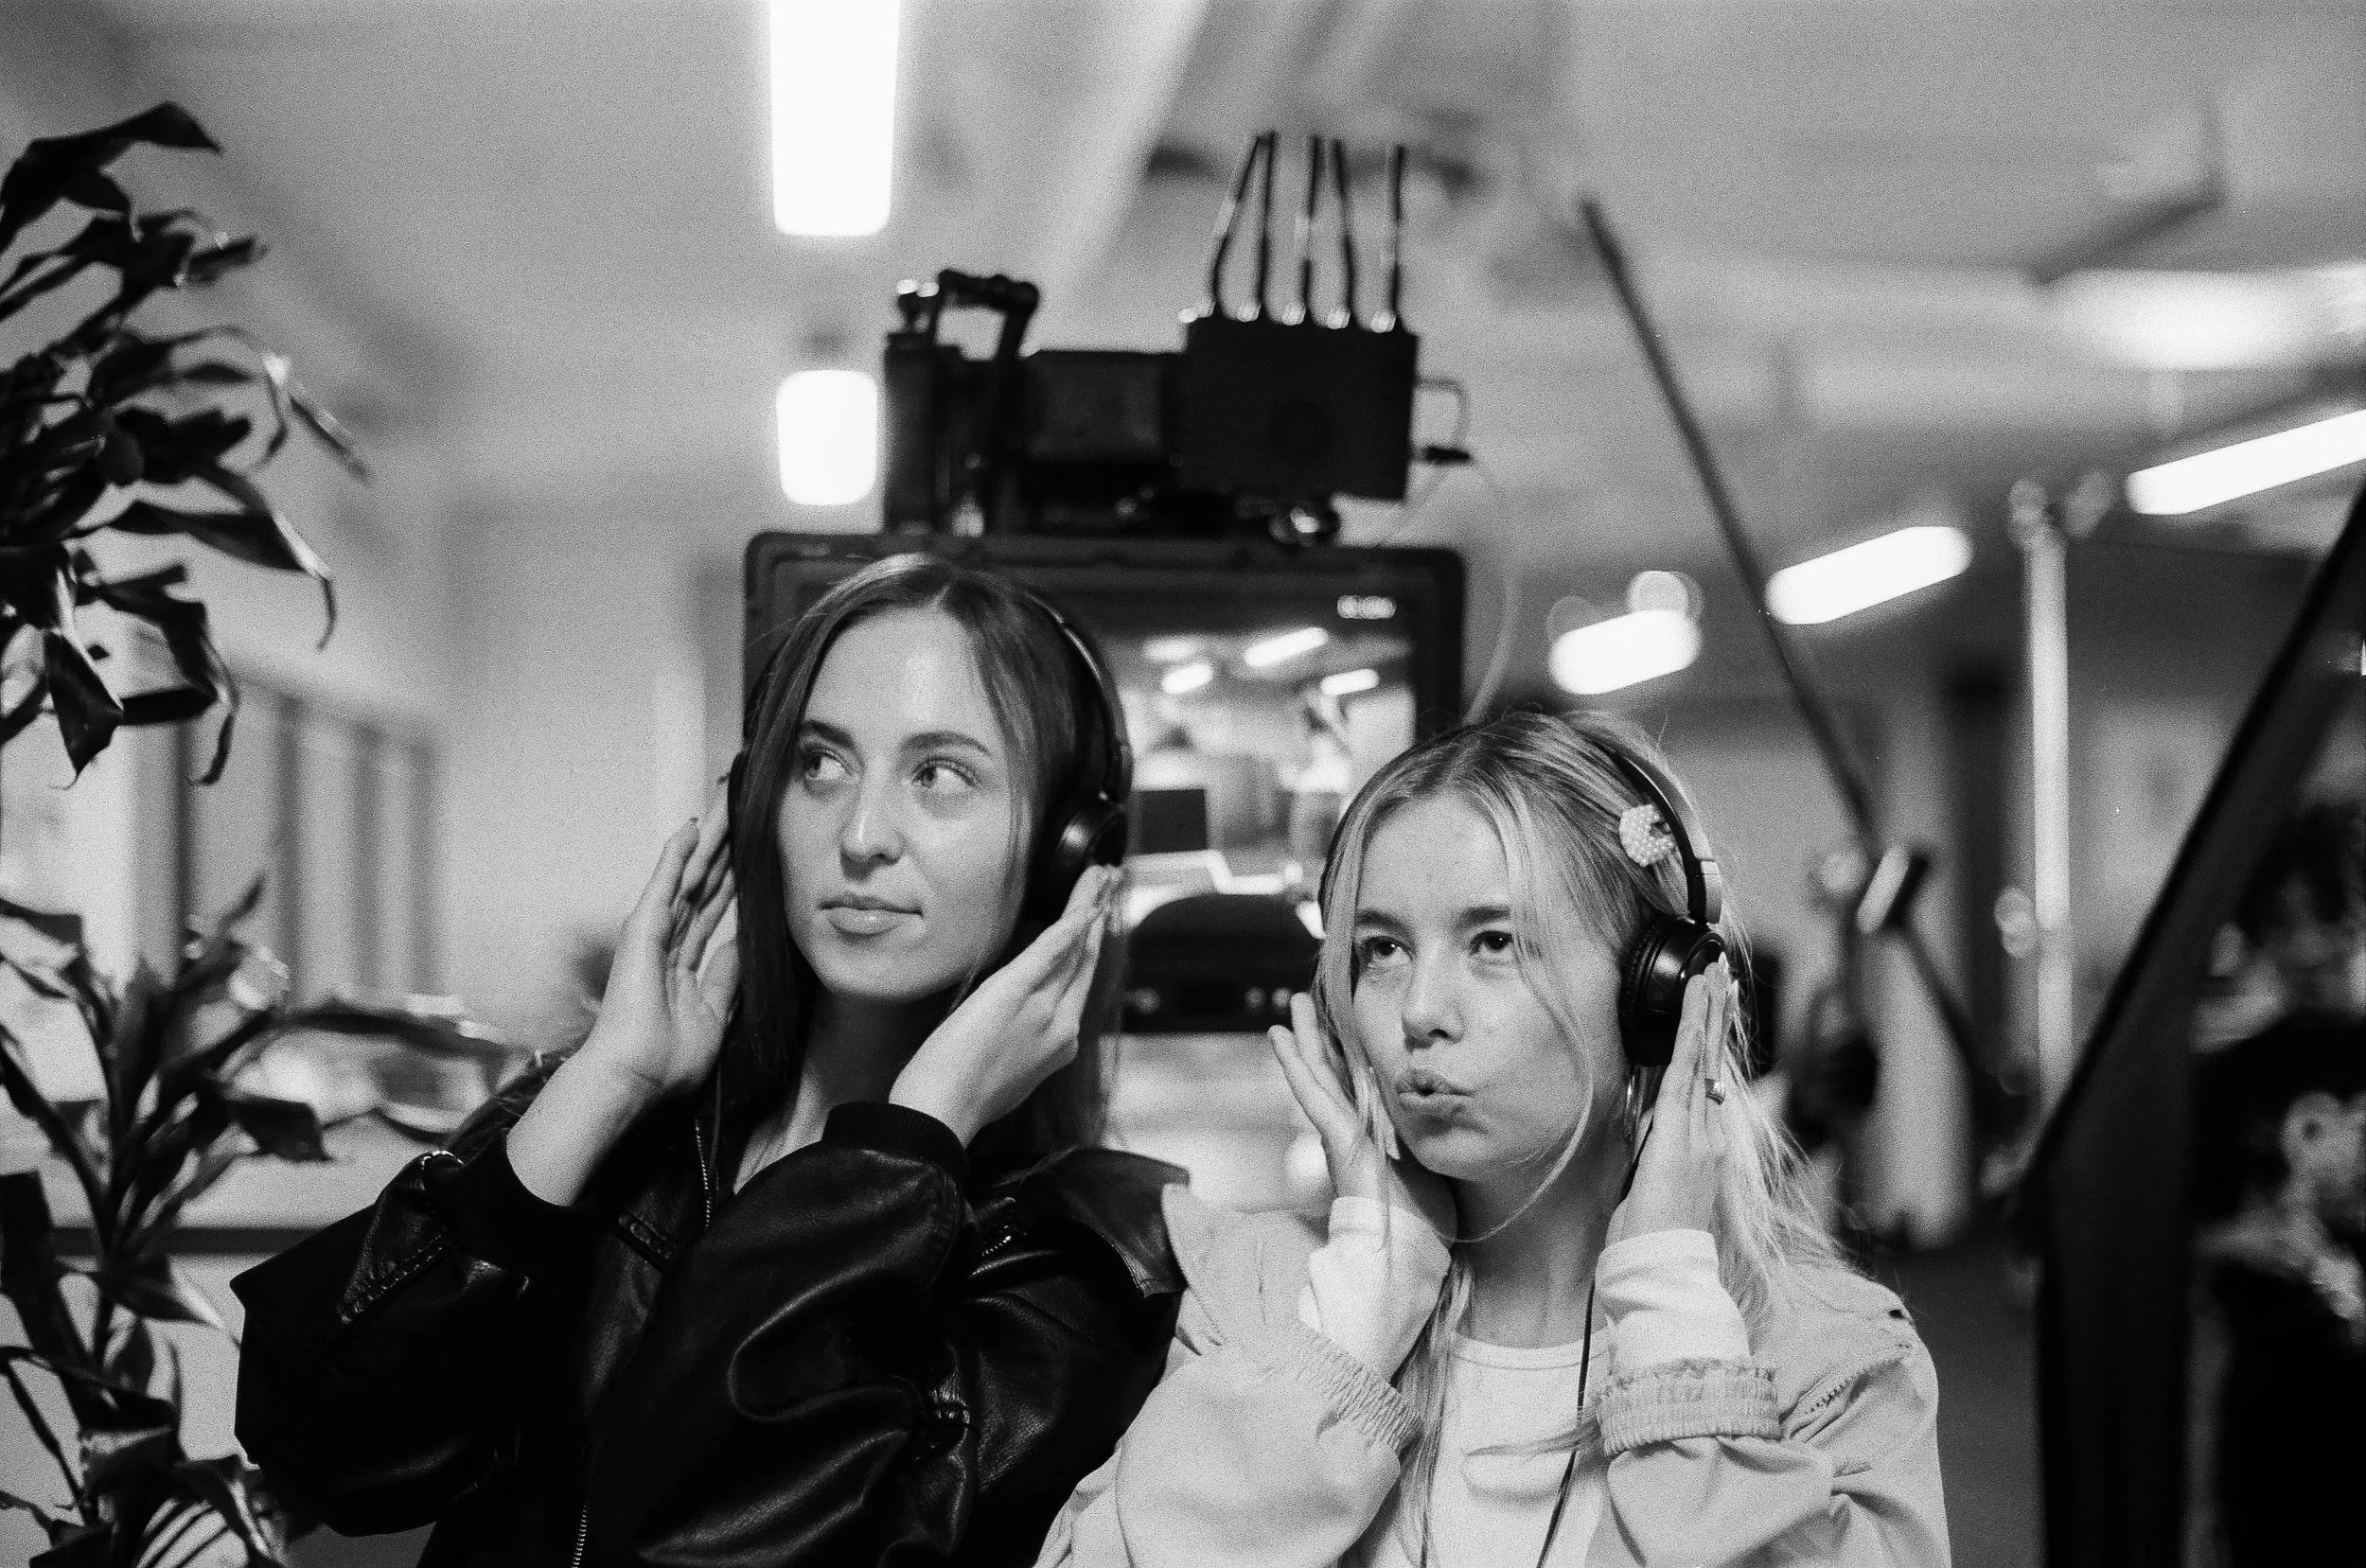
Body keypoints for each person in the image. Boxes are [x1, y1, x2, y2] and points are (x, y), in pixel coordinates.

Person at [233, 555, 1187, 1567]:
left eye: (938, 774)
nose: (859, 835)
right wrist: (605, 1083)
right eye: (820, 764)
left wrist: (909, 1146)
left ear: (1068, 853)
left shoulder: (1086, 1263)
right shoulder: (622, 1117)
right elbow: (325, 1442)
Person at [1038, 710, 1948, 1567]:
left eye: (1494, 941)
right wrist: (1362, 1306)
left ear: (1656, 996)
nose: (1421, 1013)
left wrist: (1674, 1319)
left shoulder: (1827, 1357)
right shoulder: (1269, 1296)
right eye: (1382, 949)